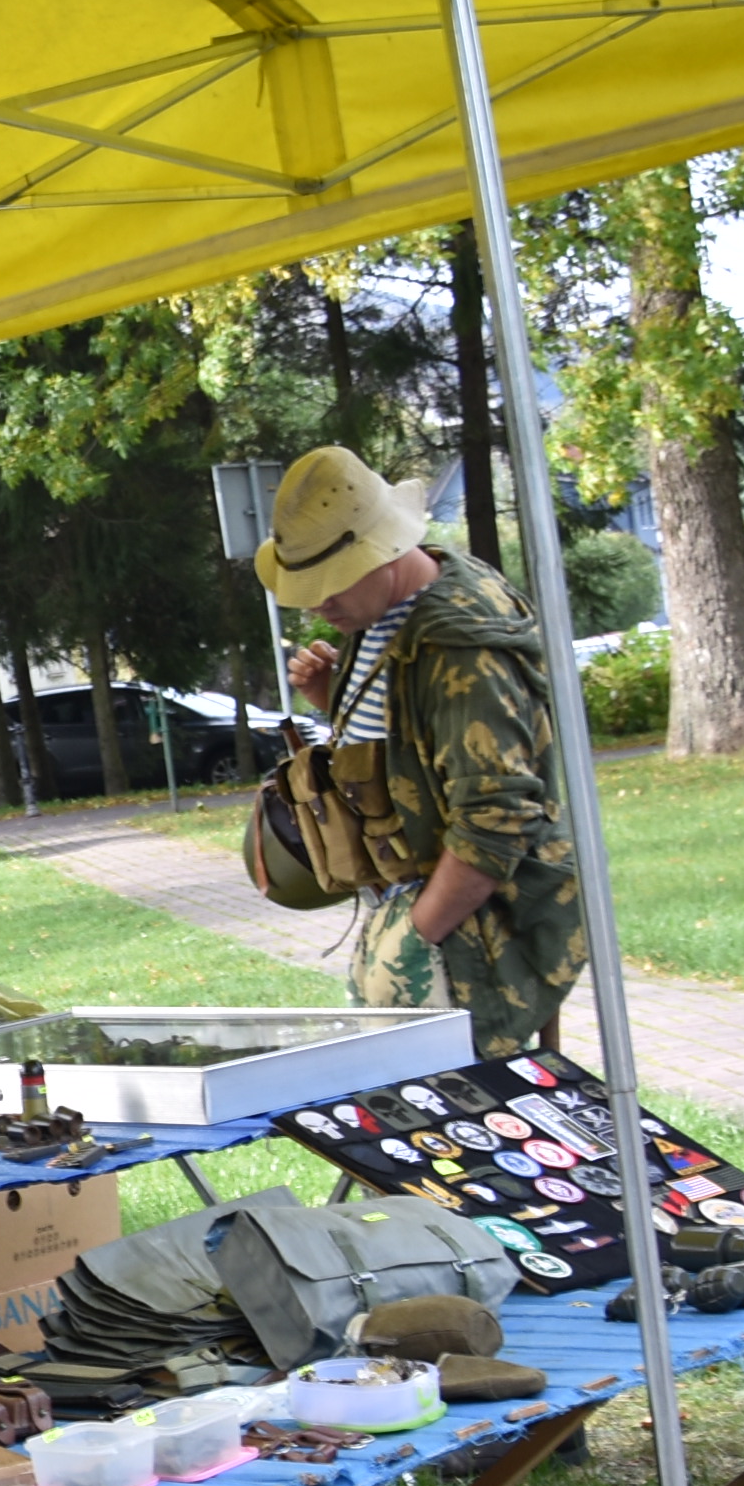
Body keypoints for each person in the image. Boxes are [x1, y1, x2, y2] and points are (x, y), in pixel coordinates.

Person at [256, 446, 585, 1063]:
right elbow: (414, 749)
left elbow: (497, 817)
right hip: (417, 912)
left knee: (455, 1116)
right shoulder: (383, 614)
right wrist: (335, 698)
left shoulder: (460, 645)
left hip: (470, 935)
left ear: (380, 552)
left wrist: (415, 937)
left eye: (330, 582)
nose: (315, 602)